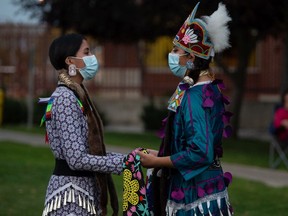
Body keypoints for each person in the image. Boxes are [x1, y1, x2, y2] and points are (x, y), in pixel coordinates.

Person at [137, 2, 233, 216]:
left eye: (175, 50)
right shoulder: (209, 89)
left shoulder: (194, 96)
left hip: (194, 197)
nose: (171, 54)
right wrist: (161, 154)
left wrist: (157, 161)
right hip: (208, 187)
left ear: (191, 56)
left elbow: (200, 151)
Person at [40, 33, 125, 216]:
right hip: (71, 196)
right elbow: (76, 159)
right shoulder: (65, 98)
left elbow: (88, 151)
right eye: (86, 52)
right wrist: (122, 163)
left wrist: (129, 158)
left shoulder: (76, 95)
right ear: (71, 61)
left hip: (83, 191)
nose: (92, 57)